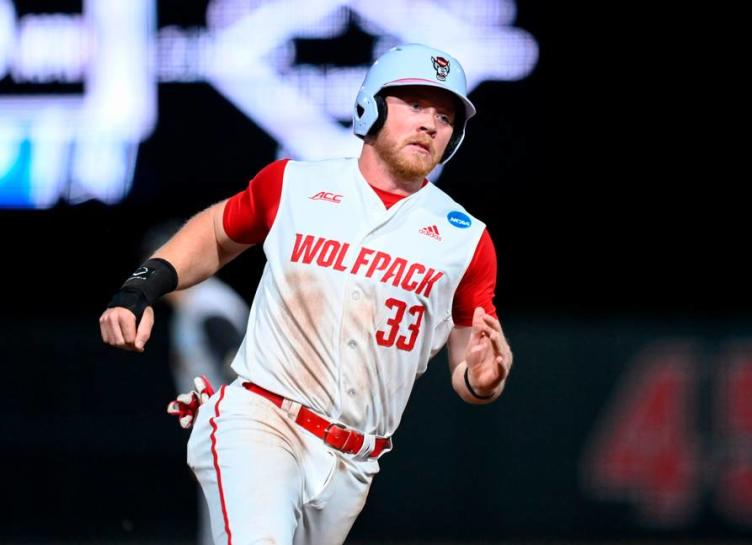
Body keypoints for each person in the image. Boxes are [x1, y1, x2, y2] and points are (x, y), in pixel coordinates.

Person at [99, 43, 513, 545]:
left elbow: (468, 372)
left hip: (354, 461)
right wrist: (141, 287)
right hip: (262, 420)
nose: (430, 123)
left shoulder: (465, 239)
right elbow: (214, 234)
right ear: (372, 105)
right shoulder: (295, 185)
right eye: (415, 104)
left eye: (445, 116)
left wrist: (484, 380)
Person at [142, 221, 250, 545]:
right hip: (223, 437)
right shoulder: (193, 307)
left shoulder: (208, 307)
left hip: (237, 437)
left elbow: (239, 372)